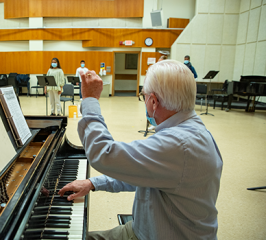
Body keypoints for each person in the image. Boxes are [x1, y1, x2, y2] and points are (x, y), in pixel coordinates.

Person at [59, 60, 223, 240]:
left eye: (143, 96)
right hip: (145, 228)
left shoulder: (179, 144)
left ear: (153, 101)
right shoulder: (189, 130)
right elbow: (142, 171)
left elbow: (103, 154)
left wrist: (89, 100)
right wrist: (93, 183)